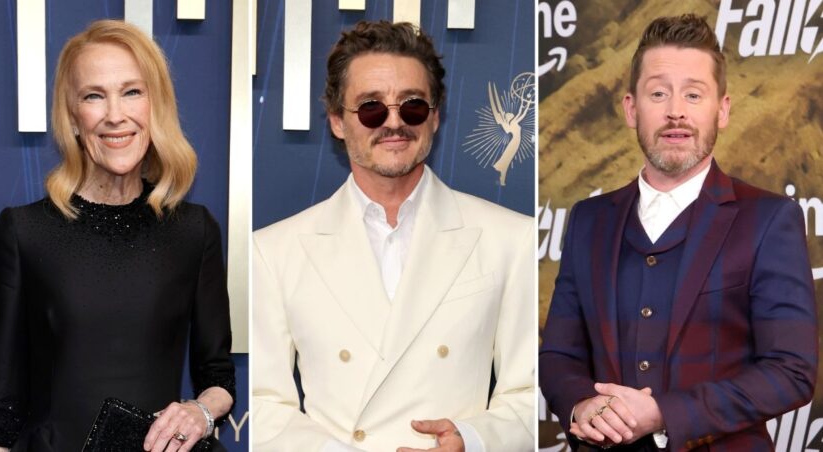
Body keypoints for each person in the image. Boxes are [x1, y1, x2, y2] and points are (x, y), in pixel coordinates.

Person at [253, 20, 534, 452]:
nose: (394, 122)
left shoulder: (510, 239)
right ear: (337, 121)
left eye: (413, 106)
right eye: (371, 108)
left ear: (435, 117)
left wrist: (473, 440)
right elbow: (264, 404)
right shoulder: (275, 251)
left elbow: (528, 394)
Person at [539, 14, 817, 451]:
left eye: (693, 93)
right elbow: (559, 355)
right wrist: (582, 404)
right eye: (658, 93)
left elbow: (791, 370)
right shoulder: (588, 221)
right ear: (631, 109)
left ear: (722, 110)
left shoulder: (768, 218)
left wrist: (666, 414)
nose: (676, 111)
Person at [0, 20, 235, 452]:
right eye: (94, 96)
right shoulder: (24, 232)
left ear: (156, 106)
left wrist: (200, 412)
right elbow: (3, 406)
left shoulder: (194, 230)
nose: (115, 115)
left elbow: (219, 377)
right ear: (73, 118)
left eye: (132, 92)